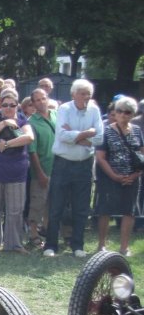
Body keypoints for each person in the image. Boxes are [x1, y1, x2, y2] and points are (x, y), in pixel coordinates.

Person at [42, 79, 104, 258]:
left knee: (81, 207)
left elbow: (99, 138)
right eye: (82, 93)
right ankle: (51, 245)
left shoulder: (94, 110)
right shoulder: (64, 109)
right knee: (56, 206)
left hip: (84, 164)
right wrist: (86, 134)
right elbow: (62, 135)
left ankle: (77, 245)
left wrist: (75, 135)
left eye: (88, 94)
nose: (86, 97)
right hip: (63, 163)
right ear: (74, 94)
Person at [0, 88, 35, 254]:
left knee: (15, 210)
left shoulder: (22, 121)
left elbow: (29, 137)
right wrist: (4, 123)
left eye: (12, 105)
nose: (9, 108)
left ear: (18, 105)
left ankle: (14, 244)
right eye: (5, 105)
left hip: (16, 172)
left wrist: (7, 144)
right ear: (0, 105)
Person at [94, 96, 142, 256]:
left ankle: (124, 247)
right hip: (109, 177)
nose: (122, 114)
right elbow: (100, 157)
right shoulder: (106, 131)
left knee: (129, 211)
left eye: (127, 112)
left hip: (132, 178)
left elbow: (142, 154)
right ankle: (101, 245)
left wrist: (135, 175)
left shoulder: (137, 130)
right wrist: (114, 176)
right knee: (105, 210)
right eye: (119, 111)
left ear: (132, 114)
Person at [27, 88, 56, 246]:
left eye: (43, 98)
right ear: (33, 103)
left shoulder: (57, 115)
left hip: (59, 168)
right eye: (37, 100)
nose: (41, 102)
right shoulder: (32, 122)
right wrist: (40, 173)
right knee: (37, 203)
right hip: (42, 169)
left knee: (54, 203)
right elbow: (32, 151)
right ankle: (33, 234)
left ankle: (47, 230)